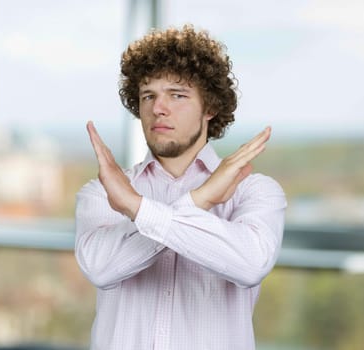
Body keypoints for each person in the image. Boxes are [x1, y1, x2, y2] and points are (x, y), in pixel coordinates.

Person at [75, 24, 287, 350]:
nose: (159, 107)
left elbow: (250, 264)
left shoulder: (255, 191)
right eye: (149, 96)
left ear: (210, 108)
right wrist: (200, 201)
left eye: (177, 94)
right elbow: (101, 269)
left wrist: (137, 209)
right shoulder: (103, 192)